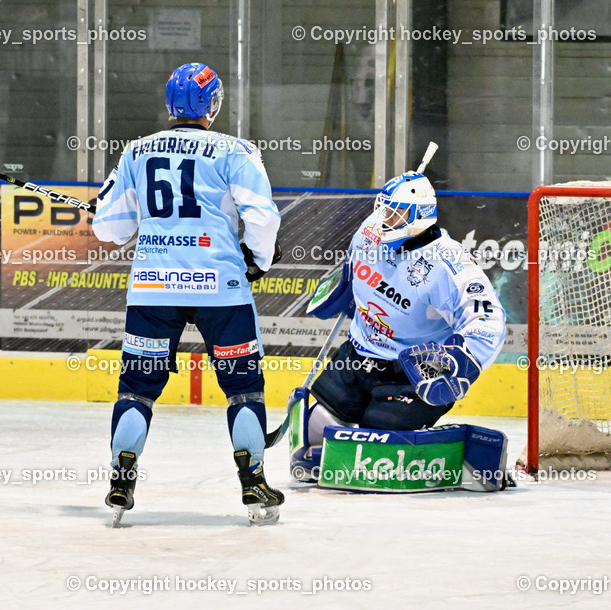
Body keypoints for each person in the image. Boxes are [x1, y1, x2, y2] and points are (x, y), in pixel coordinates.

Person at [92, 62, 285, 525]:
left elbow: (109, 228)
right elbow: (262, 218)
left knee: (137, 390)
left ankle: (122, 480)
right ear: (212, 104)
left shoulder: (136, 152)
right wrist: (259, 259)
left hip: (153, 289)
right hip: (220, 288)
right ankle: (253, 481)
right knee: (243, 390)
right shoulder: (235, 151)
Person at [290, 168, 508, 480]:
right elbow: (354, 263)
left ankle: (452, 455)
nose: (383, 219)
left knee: (380, 440)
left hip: (411, 372)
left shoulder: (448, 264)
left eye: (395, 213)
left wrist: (460, 360)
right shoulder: (370, 230)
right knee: (317, 425)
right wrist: (344, 288)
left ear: (419, 218)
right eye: (384, 209)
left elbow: (488, 318)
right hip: (358, 355)